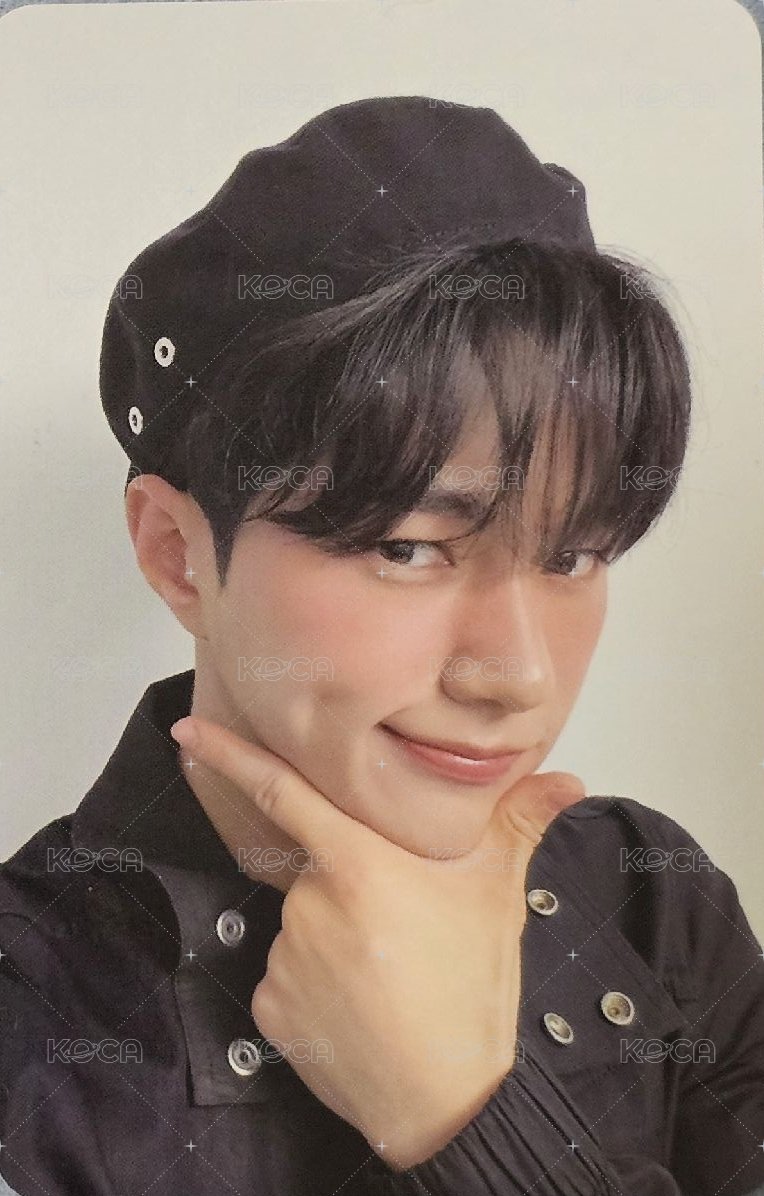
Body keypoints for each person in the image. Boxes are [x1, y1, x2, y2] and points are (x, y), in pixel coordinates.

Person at [1, 94, 763, 1196]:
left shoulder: (652, 901)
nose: (518, 675)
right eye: (409, 548)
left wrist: (464, 1117)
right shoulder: (31, 1013)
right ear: (177, 553)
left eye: (572, 554)